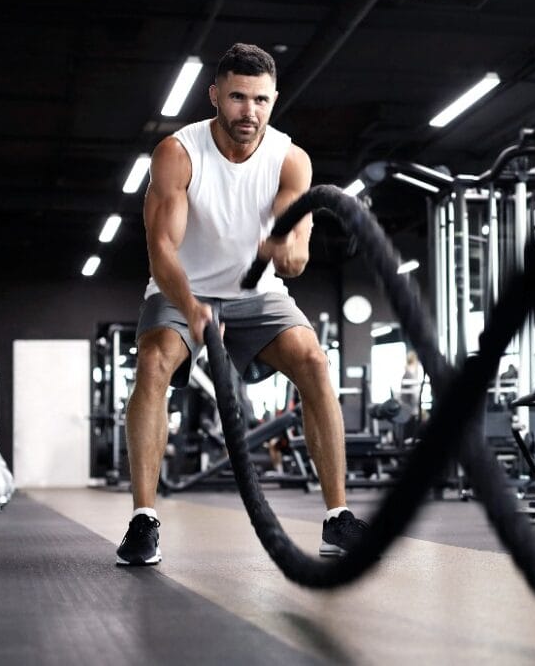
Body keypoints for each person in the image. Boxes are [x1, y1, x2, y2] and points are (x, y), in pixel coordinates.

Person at [115, 43, 367, 566]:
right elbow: (162, 250)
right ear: (215, 96)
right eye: (236, 97)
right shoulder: (178, 153)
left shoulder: (290, 159)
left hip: (257, 293)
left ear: (273, 100)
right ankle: (143, 519)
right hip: (182, 287)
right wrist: (193, 306)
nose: (248, 112)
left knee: (315, 361)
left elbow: (294, 260)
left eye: (260, 100)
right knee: (153, 362)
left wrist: (289, 249)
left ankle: (337, 517)